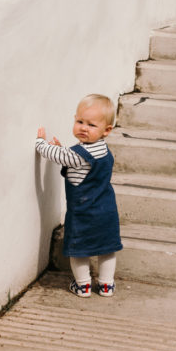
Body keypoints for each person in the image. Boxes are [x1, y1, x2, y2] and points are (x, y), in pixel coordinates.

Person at [36, 93, 123, 298]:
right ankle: (106, 284)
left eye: (91, 125)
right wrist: (61, 150)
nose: (83, 128)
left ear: (106, 130)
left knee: (79, 249)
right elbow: (74, 160)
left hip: (83, 212)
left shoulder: (78, 154)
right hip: (107, 209)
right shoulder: (102, 149)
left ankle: (83, 285)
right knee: (107, 248)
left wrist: (42, 144)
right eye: (79, 121)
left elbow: (59, 156)